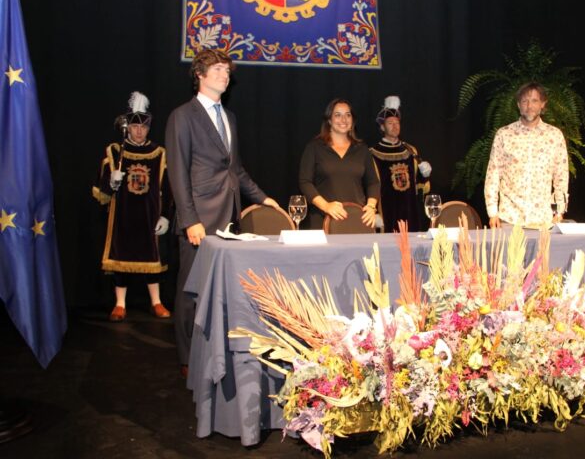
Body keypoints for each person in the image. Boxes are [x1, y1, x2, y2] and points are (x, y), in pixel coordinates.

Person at [165, 49, 279, 373]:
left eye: (227, 71)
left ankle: (215, 351)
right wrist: (190, 220)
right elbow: (177, 172)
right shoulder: (182, 116)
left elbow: (236, 171)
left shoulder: (229, 118)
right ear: (199, 74)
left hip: (230, 218)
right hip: (199, 219)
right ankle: (188, 358)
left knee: (221, 290)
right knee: (191, 291)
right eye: (217, 69)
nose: (224, 75)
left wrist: (264, 198)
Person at [92, 91, 172, 322]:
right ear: (128, 128)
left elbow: (168, 189)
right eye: (135, 127)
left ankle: (156, 302)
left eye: (143, 128)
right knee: (121, 258)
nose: (139, 132)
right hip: (123, 216)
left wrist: (165, 215)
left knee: (151, 260)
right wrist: (111, 182)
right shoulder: (115, 152)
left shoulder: (159, 153)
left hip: (149, 215)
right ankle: (120, 304)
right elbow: (102, 193)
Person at [484, 82, 569, 228]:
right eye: (525, 101)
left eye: (535, 101)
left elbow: (561, 175)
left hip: (543, 220)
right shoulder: (504, 134)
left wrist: (559, 211)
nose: (529, 106)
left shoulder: (555, 136)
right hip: (509, 218)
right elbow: (493, 174)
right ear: (518, 105)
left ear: (543, 104)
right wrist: (492, 212)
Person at [299, 98, 380, 230]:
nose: (344, 119)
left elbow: (373, 183)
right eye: (338, 115)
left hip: (356, 220)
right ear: (329, 120)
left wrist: (371, 207)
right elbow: (305, 182)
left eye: (348, 115)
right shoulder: (314, 147)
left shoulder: (362, 149)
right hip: (322, 220)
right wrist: (326, 206)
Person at [369, 96, 431, 232]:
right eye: (390, 123)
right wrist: (374, 213)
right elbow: (368, 185)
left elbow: (420, 187)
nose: (395, 126)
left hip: (410, 211)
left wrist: (424, 174)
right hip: (386, 212)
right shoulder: (372, 154)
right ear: (382, 126)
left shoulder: (410, 150)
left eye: (397, 123)